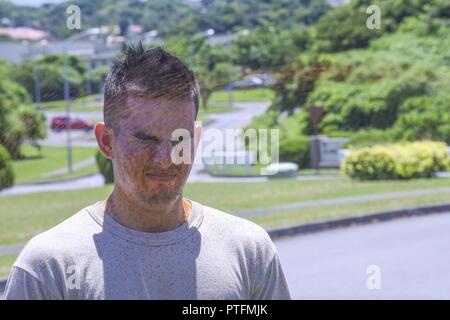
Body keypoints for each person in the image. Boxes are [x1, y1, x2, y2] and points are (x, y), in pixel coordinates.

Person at [3, 43, 291, 300]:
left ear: (197, 139)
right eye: (145, 139)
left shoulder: (249, 251)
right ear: (106, 141)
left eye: (180, 139)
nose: (166, 159)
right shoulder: (48, 267)